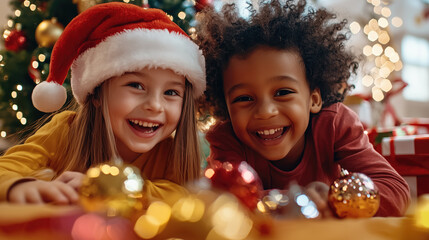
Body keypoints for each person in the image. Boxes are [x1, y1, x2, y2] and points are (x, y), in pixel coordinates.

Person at [196, 0, 410, 217]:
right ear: (225, 105)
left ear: (314, 99)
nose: (265, 111)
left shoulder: (334, 124)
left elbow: (395, 191)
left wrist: (337, 201)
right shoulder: (227, 138)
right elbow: (222, 201)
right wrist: (299, 201)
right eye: (244, 98)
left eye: (282, 92)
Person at [0, 2, 205, 205]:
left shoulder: (171, 153)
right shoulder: (67, 129)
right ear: (96, 94)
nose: (155, 106)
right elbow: (6, 168)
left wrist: (114, 186)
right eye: (136, 85)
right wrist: (21, 185)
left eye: (171, 92)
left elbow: (180, 194)